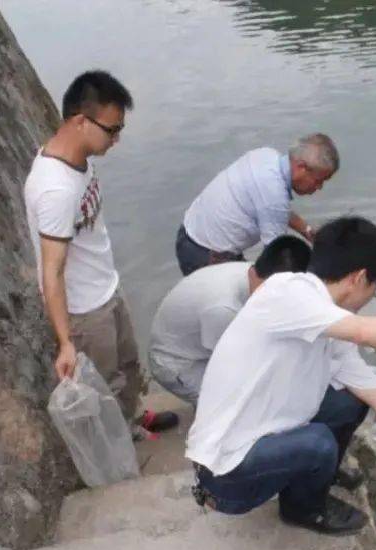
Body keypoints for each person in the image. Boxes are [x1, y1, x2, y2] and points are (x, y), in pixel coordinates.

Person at [186, 216, 376, 535]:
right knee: (318, 443)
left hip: (257, 444)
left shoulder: (327, 325)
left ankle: (320, 473)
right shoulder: (286, 293)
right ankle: (303, 510)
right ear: (360, 279)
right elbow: (367, 331)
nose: (373, 297)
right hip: (223, 480)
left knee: (351, 401)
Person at [24, 70, 177, 438]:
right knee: (104, 384)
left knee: (128, 367)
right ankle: (120, 444)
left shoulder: (80, 160)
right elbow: (52, 271)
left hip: (106, 289)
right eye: (112, 129)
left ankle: (134, 419)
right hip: (85, 312)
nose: (117, 139)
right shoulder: (55, 189)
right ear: (80, 121)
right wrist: (65, 342)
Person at [149, 235, 311, 406]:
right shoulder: (223, 308)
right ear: (253, 273)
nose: (272, 299)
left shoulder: (256, 271)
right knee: (235, 405)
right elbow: (231, 366)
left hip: (203, 340)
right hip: (179, 362)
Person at [175, 133, 338, 276]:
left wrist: (307, 231)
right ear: (301, 167)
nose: (319, 188)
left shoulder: (266, 156)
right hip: (205, 256)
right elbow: (276, 258)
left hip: (189, 234)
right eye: (318, 180)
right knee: (249, 305)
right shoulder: (274, 196)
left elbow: (272, 209)